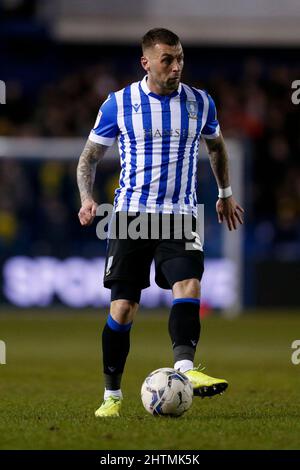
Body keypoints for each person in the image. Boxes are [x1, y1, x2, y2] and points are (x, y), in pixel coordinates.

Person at [77, 28, 244, 418]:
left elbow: (216, 146)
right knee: (123, 308)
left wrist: (224, 193)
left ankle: (186, 370)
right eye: (167, 59)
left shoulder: (201, 103)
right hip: (131, 216)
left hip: (180, 214)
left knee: (189, 283)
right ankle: (112, 396)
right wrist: (87, 198)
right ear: (146, 62)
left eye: (180, 58)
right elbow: (88, 157)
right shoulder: (119, 104)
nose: (175, 67)